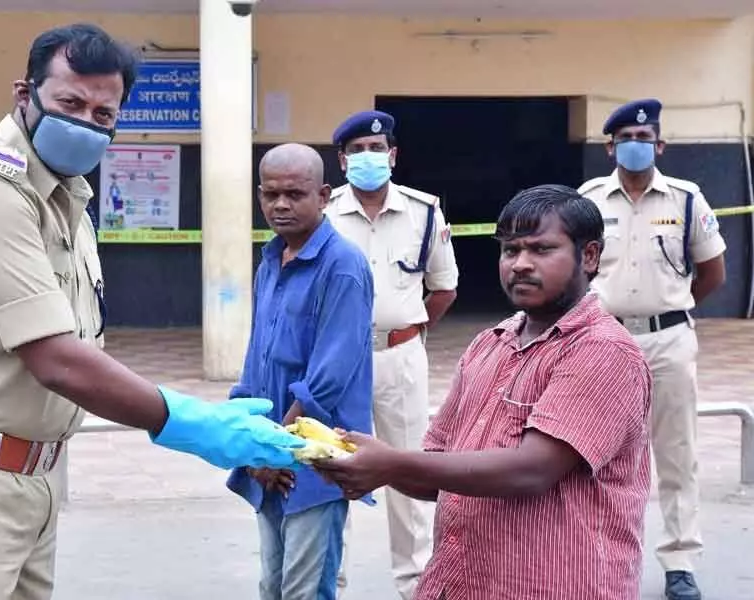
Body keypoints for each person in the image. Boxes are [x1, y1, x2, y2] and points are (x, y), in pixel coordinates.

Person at [0, 23, 304, 600]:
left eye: (104, 113)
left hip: (28, 479)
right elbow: (56, 360)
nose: (86, 122)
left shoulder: (68, 198)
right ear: (25, 94)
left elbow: (83, 343)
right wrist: (188, 420)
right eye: (70, 102)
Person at [316, 185, 653, 600]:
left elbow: (532, 470)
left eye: (541, 250)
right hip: (464, 583)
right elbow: (436, 476)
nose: (521, 264)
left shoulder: (602, 350)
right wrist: (362, 462)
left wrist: (389, 464)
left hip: (555, 585)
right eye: (510, 251)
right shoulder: (489, 345)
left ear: (589, 256)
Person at [578, 99, 727, 600]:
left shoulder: (687, 199)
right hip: (605, 340)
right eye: (626, 139)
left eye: (645, 139)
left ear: (660, 146)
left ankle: (680, 562)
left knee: (676, 450)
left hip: (668, 340)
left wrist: (671, 313)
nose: (636, 147)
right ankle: (596, 555)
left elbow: (713, 272)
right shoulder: (590, 200)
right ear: (609, 147)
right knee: (594, 450)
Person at [226, 143, 374, 600]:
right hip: (267, 458)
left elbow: (329, 378)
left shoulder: (343, 265)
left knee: (305, 592)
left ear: (324, 195)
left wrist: (275, 450)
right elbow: (257, 362)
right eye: (270, 195)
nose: (281, 205)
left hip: (310, 461)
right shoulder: (271, 261)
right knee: (272, 587)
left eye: (295, 193)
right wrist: (251, 445)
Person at [323, 110, 458, 599]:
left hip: (401, 357)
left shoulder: (424, 212)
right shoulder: (325, 213)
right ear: (341, 160)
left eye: (376, 149)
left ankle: (416, 585)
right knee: (333, 468)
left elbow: (443, 288)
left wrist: (407, 333)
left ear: (393, 156)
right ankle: (328, 584)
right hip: (338, 361)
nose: (367, 158)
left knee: (408, 469)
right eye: (356, 151)